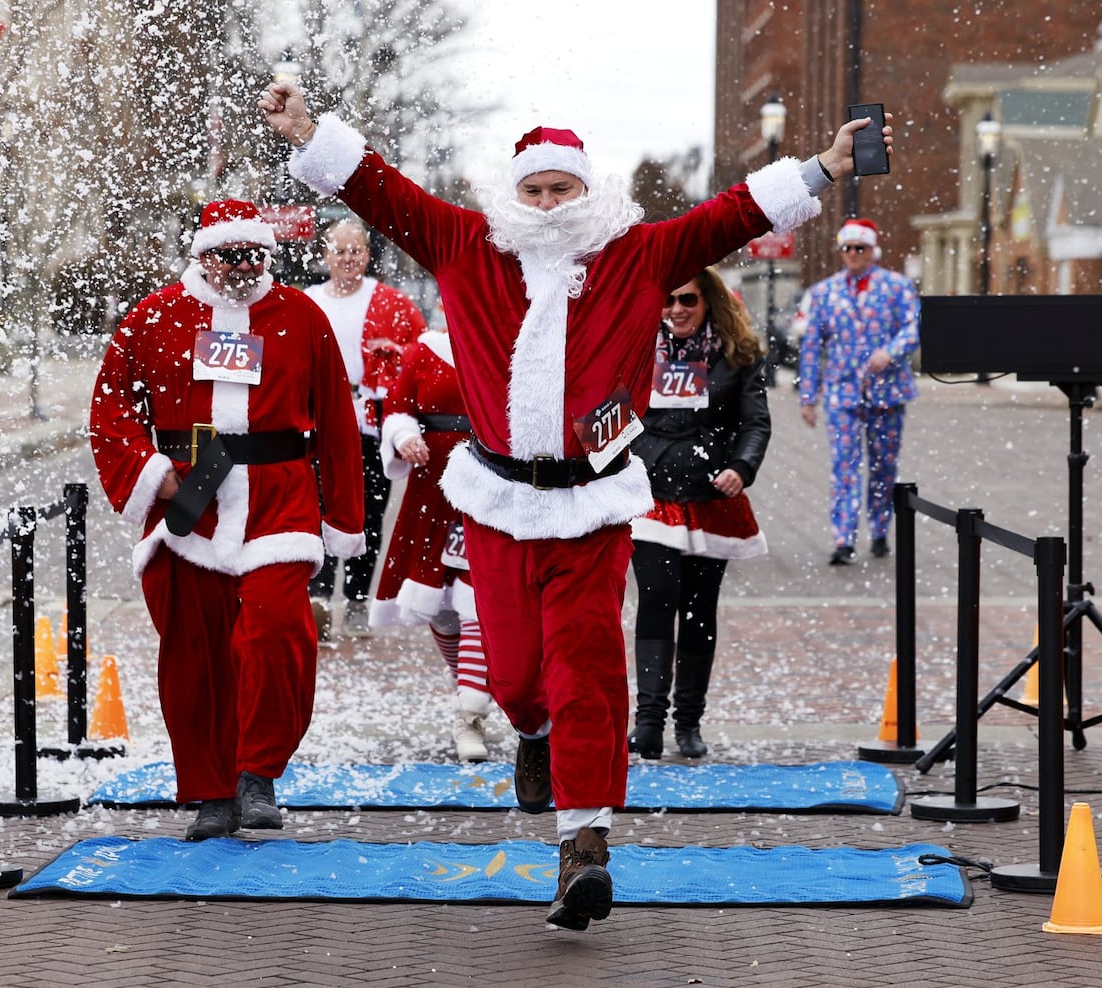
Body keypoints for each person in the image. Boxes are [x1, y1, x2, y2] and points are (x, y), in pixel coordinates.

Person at [260, 81, 890, 931]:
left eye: (564, 189)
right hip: (496, 502)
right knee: (518, 679)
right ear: (513, 194)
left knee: (586, 667)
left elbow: (731, 215)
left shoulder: (635, 253)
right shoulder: (463, 244)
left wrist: (821, 168)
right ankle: (531, 733)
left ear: (588, 193)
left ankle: (583, 846)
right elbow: (381, 189)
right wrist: (308, 134)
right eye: (535, 190)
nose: (550, 204)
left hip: (593, 506)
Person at [89, 198, 365, 841]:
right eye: (226, 256)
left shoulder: (301, 317)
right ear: (201, 255)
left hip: (279, 493)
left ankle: (257, 773)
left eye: (253, 256)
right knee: (196, 649)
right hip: (191, 495)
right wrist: (154, 471)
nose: (240, 268)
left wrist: (343, 517)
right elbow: (109, 414)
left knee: (275, 632)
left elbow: (337, 423)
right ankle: (211, 790)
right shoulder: (154, 318)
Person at [627, 268, 770, 761]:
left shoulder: (737, 354)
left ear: (709, 301)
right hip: (651, 497)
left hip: (711, 499)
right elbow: (606, 417)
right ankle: (648, 721)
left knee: (699, 611)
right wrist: (640, 459)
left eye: (687, 299)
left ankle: (688, 723)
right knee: (657, 595)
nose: (677, 309)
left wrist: (741, 466)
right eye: (667, 300)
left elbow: (756, 421)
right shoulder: (635, 348)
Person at [370, 327, 497, 762]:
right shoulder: (425, 350)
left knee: (478, 601)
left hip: (489, 484)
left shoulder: (505, 341)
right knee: (441, 608)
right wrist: (404, 436)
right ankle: (473, 682)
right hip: (432, 489)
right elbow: (398, 408)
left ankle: (470, 715)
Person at [303, 218, 427, 639]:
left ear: (367, 256)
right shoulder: (308, 301)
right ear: (326, 256)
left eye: (355, 250)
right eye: (339, 250)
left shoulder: (391, 302)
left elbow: (421, 352)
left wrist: (395, 354)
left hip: (373, 422)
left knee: (369, 514)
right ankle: (317, 597)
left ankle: (356, 601)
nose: (347, 258)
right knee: (317, 509)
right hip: (319, 420)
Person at [797, 218, 919, 566]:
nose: (853, 254)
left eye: (860, 247)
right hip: (842, 394)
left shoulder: (896, 287)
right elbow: (811, 346)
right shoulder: (824, 293)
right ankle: (843, 538)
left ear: (872, 250)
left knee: (883, 466)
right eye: (847, 248)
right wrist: (808, 397)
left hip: (889, 393)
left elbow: (915, 326)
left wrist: (891, 351)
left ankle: (880, 530)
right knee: (845, 466)